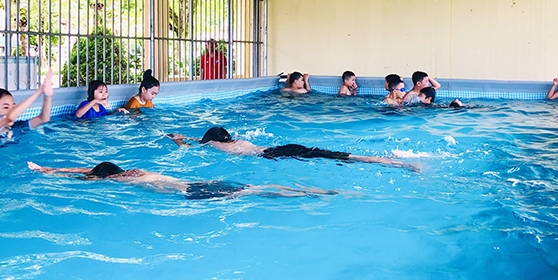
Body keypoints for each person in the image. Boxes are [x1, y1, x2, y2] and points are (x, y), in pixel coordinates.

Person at [28, 161, 334, 199]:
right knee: (256, 189)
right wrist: (49, 170)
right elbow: (86, 169)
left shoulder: (122, 182)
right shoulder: (135, 171)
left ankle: (305, 194)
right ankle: (308, 191)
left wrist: (48, 173)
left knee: (256, 195)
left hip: (192, 191)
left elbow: (85, 173)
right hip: (198, 181)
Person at [167, 126, 418, 171]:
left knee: (334, 158)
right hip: (282, 147)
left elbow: (192, 148)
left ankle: (400, 164)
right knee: (333, 155)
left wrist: (179, 140)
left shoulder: (216, 146)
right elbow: (206, 139)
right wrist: (186, 135)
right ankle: (394, 161)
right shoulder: (235, 141)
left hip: (275, 155)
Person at [0, 70, 54, 142]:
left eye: (13, 107)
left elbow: (43, 119)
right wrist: (39, 91)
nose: (12, 110)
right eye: (6, 107)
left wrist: (47, 95)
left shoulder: (17, 127)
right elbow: (9, 117)